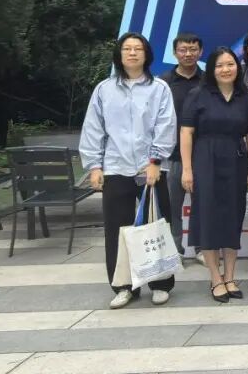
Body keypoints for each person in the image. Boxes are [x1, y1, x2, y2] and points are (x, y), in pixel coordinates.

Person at [79, 33, 177, 309]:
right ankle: (124, 286)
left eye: (138, 49)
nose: (132, 53)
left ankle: (160, 284)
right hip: (116, 168)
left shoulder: (159, 88)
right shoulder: (104, 90)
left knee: (156, 226)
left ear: (146, 55)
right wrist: (95, 166)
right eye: (127, 49)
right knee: (117, 230)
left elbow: (166, 125)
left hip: (150, 169)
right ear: (119, 55)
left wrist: (155, 161)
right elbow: (93, 128)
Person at [179, 47, 248, 303]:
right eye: (220, 65)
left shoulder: (246, 98)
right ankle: (215, 277)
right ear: (212, 70)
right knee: (208, 219)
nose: (226, 69)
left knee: (232, 219)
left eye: (230, 64)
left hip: (236, 162)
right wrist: (187, 169)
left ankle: (230, 276)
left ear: (238, 67)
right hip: (205, 160)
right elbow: (186, 133)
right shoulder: (198, 95)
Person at [158, 33, 203, 258]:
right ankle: (175, 252)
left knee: (202, 205)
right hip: (172, 155)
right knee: (171, 207)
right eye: (183, 49)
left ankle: (202, 249)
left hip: (203, 155)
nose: (188, 54)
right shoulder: (163, 82)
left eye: (193, 49)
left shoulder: (208, 81)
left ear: (200, 52)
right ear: (175, 53)